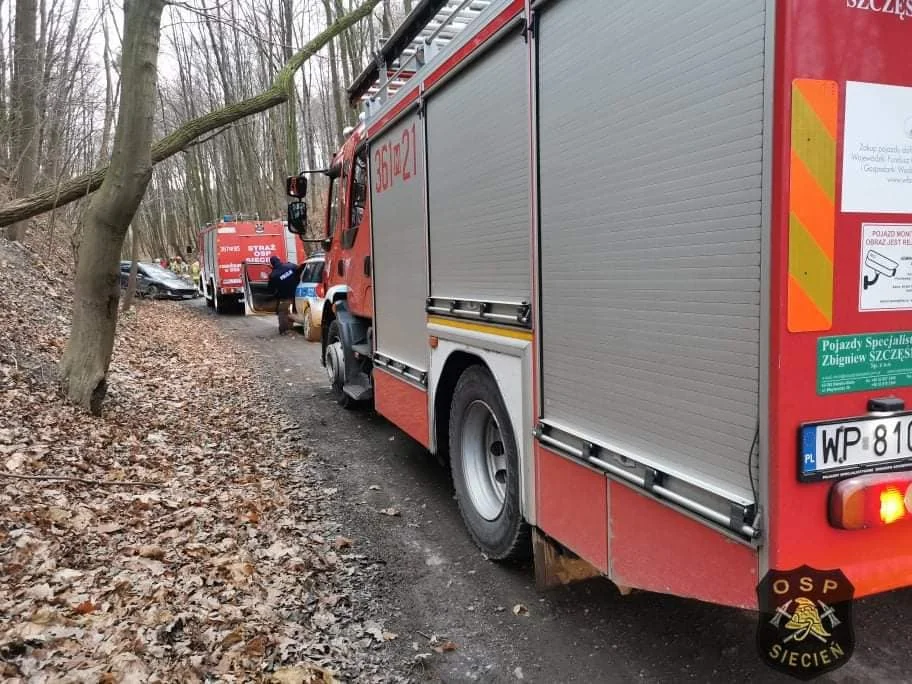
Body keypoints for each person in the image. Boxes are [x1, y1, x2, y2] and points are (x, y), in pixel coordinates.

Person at [268, 255, 298, 335]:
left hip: (285, 297)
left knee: (283, 312)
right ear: (279, 260)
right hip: (298, 295)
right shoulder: (291, 266)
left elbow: (271, 289)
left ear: (272, 264)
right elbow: (299, 271)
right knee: (291, 311)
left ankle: (284, 330)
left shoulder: (273, 275)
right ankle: (291, 327)